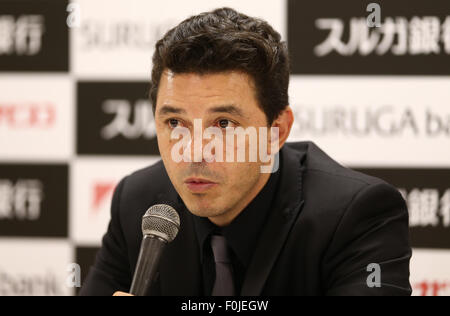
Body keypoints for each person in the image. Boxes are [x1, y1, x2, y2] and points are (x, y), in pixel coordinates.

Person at [80, 7, 412, 296]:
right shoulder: (139, 204)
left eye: (223, 124)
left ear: (277, 131)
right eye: (175, 123)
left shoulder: (358, 217)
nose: (193, 153)